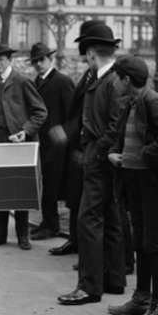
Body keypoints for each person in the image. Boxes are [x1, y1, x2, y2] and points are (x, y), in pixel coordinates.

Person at [105, 55, 158, 315]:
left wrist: (144, 155)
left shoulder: (153, 100)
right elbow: (125, 139)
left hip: (154, 183)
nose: (113, 83)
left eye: (115, 78)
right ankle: (141, 298)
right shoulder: (131, 102)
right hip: (135, 181)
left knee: (156, 242)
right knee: (140, 239)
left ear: (126, 79)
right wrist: (116, 154)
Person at [58, 23, 126, 305]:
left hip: (99, 160)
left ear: (90, 53)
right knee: (110, 218)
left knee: (88, 221)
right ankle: (113, 279)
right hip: (104, 159)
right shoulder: (112, 79)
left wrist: (95, 153)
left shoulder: (109, 81)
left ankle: (88, 286)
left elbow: (116, 125)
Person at [0, 43, 48, 251]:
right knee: (0, 188)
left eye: (1, 60)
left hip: (19, 143)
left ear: (9, 60)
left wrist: (25, 131)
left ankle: (22, 235)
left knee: (20, 189)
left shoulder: (21, 81)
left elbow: (41, 112)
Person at [48, 19, 105, 258]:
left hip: (90, 147)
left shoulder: (101, 77)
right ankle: (74, 240)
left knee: (88, 201)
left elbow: (88, 116)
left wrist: (68, 130)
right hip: (78, 146)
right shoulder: (89, 74)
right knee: (75, 196)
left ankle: (88, 249)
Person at [28, 42, 75, 240]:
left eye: (42, 60)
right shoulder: (35, 82)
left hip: (57, 144)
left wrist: (65, 133)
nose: (38, 64)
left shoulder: (62, 82)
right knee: (45, 183)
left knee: (53, 186)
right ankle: (47, 222)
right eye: (35, 61)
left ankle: (51, 225)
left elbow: (73, 113)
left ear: (50, 59)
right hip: (41, 142)